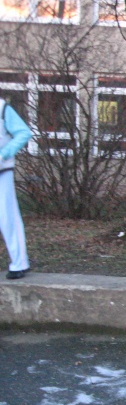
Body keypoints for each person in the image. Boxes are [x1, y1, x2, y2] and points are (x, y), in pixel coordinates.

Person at [0, 98, 32, 280]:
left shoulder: (2, 107)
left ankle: (19, 263)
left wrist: (3, 154)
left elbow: (23, 133)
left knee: (7, 218)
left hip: (2, 171)